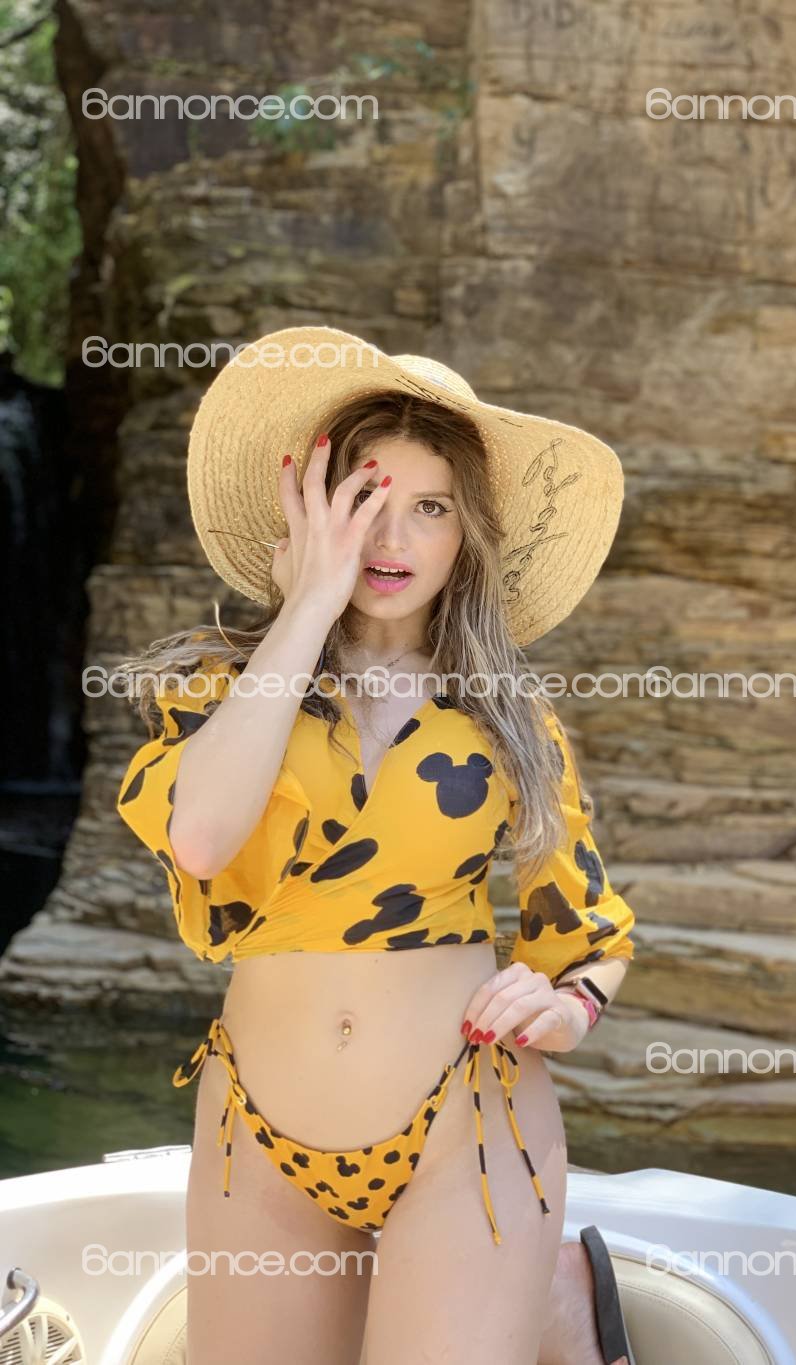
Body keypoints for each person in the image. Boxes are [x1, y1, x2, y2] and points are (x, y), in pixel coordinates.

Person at [114, 327, 636, 1365]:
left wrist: (566, 1006)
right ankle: (550, 1302)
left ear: (467, 534)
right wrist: (309, 602)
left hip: (466, 1127)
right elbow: (203, 839)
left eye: (431, 507)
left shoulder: (509, 722)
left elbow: (590, 936)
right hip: (258, 1137)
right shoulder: (220, 691)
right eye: (364, 499)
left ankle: (548, 1292)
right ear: (311, 509)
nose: (392, 536)